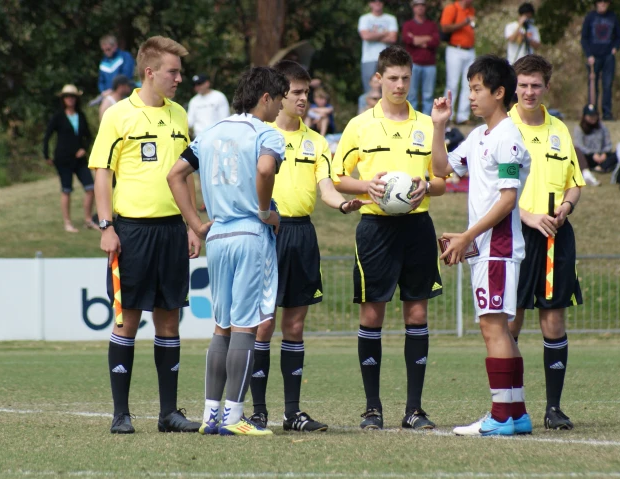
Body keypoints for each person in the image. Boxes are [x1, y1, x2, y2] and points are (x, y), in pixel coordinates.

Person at [166, 66, 290, 437]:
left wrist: (195, 224)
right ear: (265, 98)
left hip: (217, 236)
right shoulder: (267, 133)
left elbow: (175, 174)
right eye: (280, 100)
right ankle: (235, 418)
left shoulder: (210, 132)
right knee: (247, 325)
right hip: (250, 235)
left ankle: (210, 415)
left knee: (221, 327)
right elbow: (266, 169)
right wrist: (266, 211)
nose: (281, 108)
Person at [246, 60, 367, 433]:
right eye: (296, 92)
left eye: (306, 92)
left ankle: (292, 413)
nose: (303, 98)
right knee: (263, 325)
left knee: (295, 326)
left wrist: (344, 204)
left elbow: (327, 188)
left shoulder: (316, 141)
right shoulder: (258, 135)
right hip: (266, 233)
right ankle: (258, 411)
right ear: (279, 95)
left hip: (301, 235)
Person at [88, 35, 201, 435]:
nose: (179, 79)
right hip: (131, 231)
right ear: (150, 72)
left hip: (172, 230)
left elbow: (184, 175)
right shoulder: (119, 115)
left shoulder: (180, 115)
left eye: (180, 72)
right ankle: (121, 413)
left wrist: (190, 223)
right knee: (127, 319)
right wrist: (107, 226)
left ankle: (168, 413)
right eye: (173, 71)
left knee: (169, 320)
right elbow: (102, 172)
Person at [332, 45, 446, 431]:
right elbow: (338, 177)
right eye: (392, 78)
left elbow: (444, 180)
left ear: (412, 78)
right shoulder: (359, 125)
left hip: (417, 226)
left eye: (405, 78)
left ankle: (414, 410)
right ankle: (372, 409)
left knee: (417, 312)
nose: (399, 85)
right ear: (378, 79)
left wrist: (426, 185)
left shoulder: (428, 125)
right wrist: (368, 185)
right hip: (375, 227)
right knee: (372, 313)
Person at [430, 54, 532, 436]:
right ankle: (516, 414)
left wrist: (466, 236)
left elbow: (507, 199)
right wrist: (440, 126)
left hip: (498, 248)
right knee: (499, 329)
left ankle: (501, 416)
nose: (471, 97)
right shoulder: (478, 136)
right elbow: (442, 169)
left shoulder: (508, 137)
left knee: (493, 329)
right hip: (488, 248)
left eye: (477, 89)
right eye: (470, 89)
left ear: (499, 92)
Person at [508, 54, 585, 431]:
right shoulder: (503, 127)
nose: (528, 91)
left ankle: (553, 408)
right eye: (522, 84)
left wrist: (566, 206)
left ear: (546, 87)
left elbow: (574, 181)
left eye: (535, 84)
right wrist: (527, 216)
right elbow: (492, 189)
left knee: (553, 319)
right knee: (511, 319)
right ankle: (508, 405)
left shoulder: (560, 130)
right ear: (513, 87)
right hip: (516, 232)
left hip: (556, 235)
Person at [44, 84, 95, 233]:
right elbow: (47, 136)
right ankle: (67, 222)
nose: (70, 99)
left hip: (80, 160)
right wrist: (46, 155)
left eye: (72, 97)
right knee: (66, 190)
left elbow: (89, 136)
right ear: (63, 99)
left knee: (90, 187)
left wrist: (83, 149)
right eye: (67, 97)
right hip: (63, 159)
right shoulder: (58, 117)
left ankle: (88, 219)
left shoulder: (81, 115)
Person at [580, 0, 620, 121]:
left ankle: (607, 113)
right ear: (596, 3)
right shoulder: (590, 17)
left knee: (607, 85)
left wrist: (615, 48)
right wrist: (588, 55)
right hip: (594, 57)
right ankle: (592, 112)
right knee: (593, 85)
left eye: (605, 2)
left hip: (608, 56)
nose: (603, 4)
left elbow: (619, 36)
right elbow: (584, 38)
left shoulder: (613, 17)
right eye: (600, 2)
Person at [440, 0, 477, 125]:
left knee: (469, 83)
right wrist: (464, 23)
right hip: (455, 49)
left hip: (469, 49)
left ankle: (463, 116)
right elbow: (445, 27)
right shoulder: (452, 8)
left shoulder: (471, 9)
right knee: (453, 83)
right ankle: (447, 115)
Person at [402, 0, 440, 114]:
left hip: (430, 65)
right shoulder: (408, 25)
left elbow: (436, 41)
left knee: (428, 96)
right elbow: (407, 40)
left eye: (422, 5)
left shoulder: (432, 25)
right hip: (413, 64)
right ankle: (411, 120)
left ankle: (426, 121)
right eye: (417, 5)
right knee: (411, 95)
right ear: (413, 7)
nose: (420, 7)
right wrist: (427, 38)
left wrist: (416, 39)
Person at [358, 0, 398, 94]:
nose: (377, 3)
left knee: (387, 89)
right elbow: (365, 36)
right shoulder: (364, 18)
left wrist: (373, 36)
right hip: (368, 59)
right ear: (370, 3)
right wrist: (385, 33)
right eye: (374, 1)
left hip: (387, 59)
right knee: (369, 90)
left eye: (380, 1)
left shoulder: (390, 18)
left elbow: (393, 38)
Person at [573, 104, 616, 176]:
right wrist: (592, 154)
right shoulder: (579, 129)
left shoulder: (602, 127)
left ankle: (601, 167)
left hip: (601, 155)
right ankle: (586, 169)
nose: (593, 118)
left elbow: (608, 143)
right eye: (590, 116)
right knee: (576, 152)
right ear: (585, 116)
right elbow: (579, 145)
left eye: (594, 115)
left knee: (616, 154)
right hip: (588, 156)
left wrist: (604, 153)